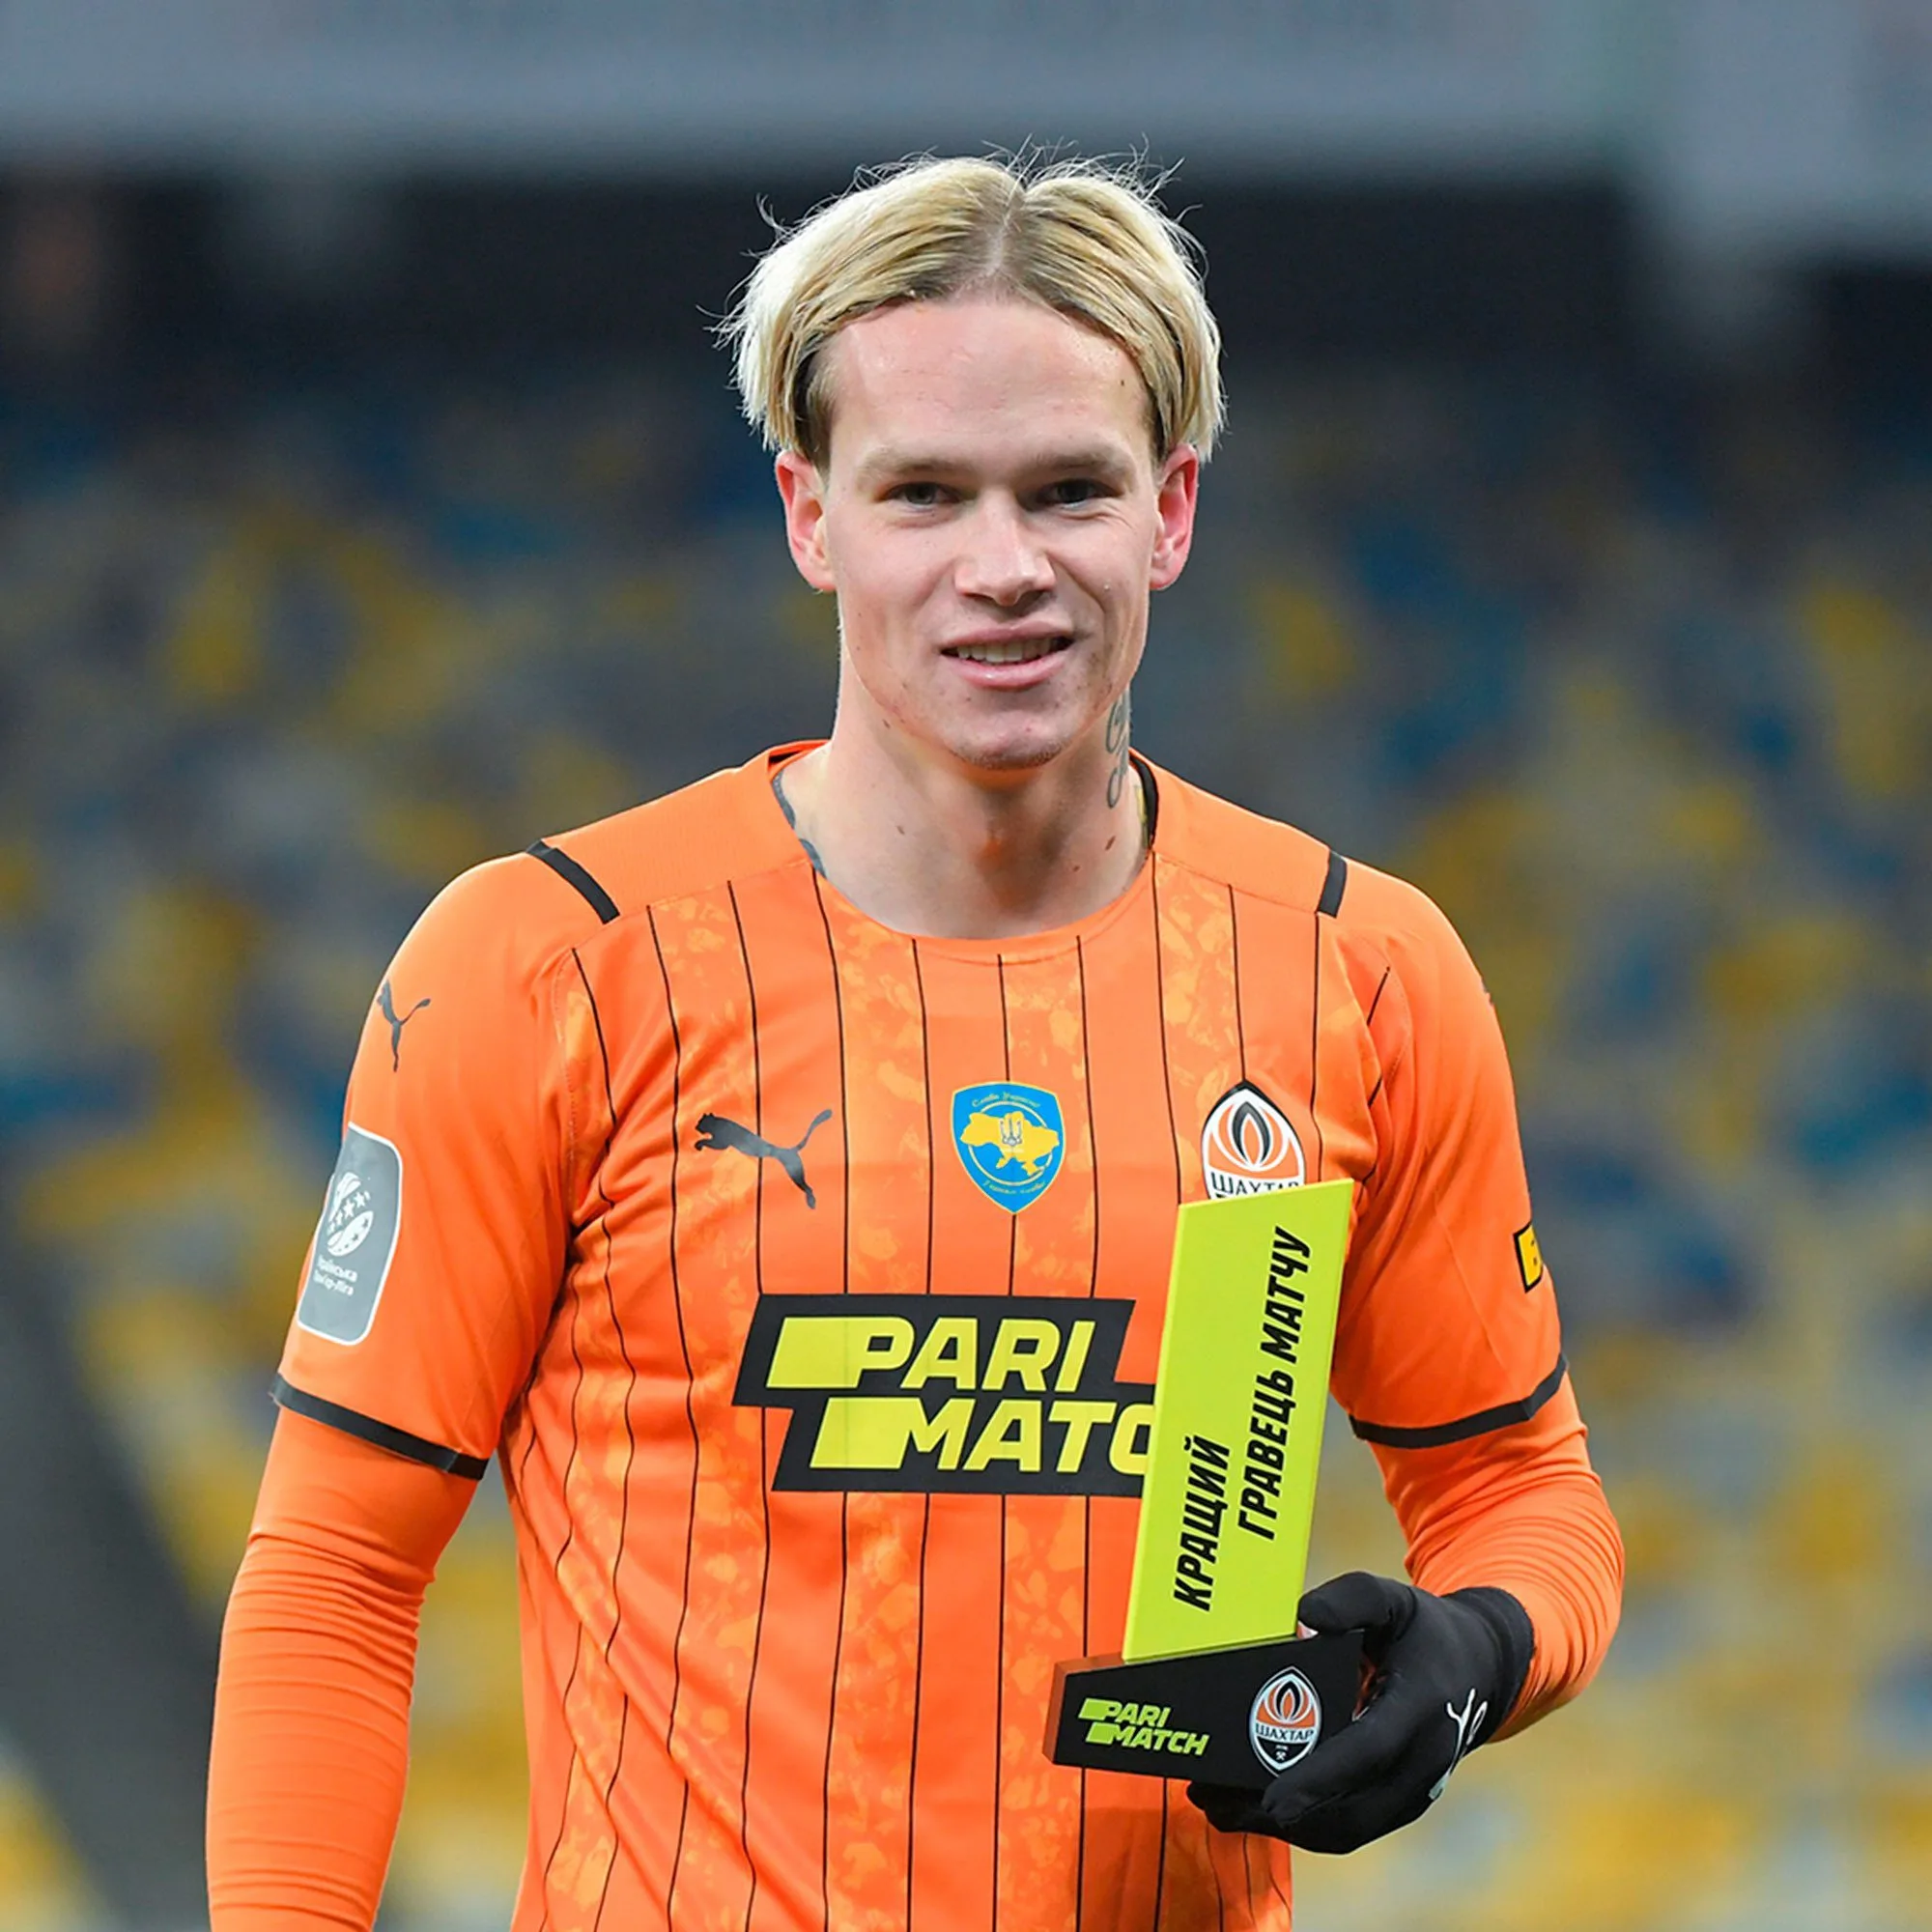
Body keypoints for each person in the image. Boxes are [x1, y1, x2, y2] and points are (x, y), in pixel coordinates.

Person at [207, 155, 1622, 1930]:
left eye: (1070, 490)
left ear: (1172, 511)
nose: (1002, 567)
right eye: (926, 493)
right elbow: (336, 1572)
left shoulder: (1363, 976)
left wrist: (1475, 1652)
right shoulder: (544, 970)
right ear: (813, 517)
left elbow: (1519, 1490)